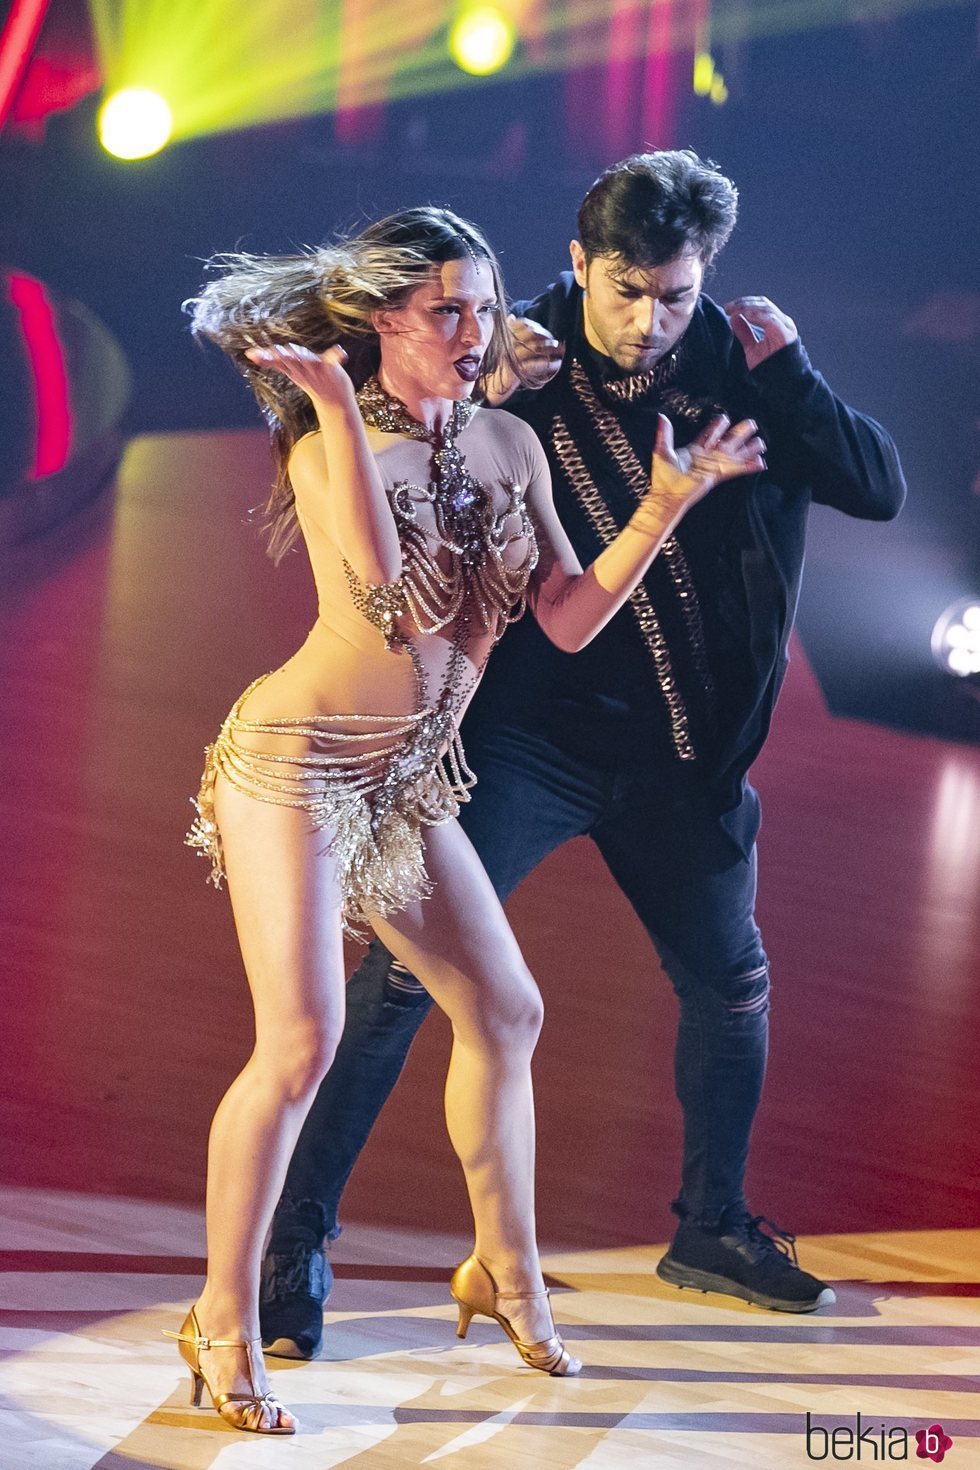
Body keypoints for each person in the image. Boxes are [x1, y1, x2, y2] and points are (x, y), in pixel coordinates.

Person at [259, 154, 907, 1361]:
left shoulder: (740, 361)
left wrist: (795, 375)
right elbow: (376, 445)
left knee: (730, 987)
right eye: (623, 289)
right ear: (577, 264)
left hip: (688, 762)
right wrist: (479, 385)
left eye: (670, 293)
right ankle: (297, 1239)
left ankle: (709, 1227)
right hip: (530, 743)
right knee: (407, 981)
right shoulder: (514, 350)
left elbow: (876, 484)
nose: (646, 320)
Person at [170, 204, 764, 1432]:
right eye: (447, 310)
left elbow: (558, 615)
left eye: (485, 308)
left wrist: (664, 505)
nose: (475, 330)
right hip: (298, 768)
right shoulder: (330, 448)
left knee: (505, 1007)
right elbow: (390, 605)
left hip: (405, 779)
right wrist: (335, 410)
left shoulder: (504, 441)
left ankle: (501, 1270)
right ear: (383, 322)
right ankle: (221, 1319)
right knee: (301, 1043)